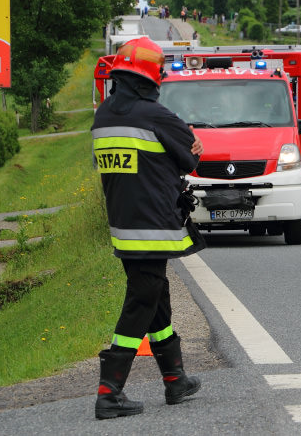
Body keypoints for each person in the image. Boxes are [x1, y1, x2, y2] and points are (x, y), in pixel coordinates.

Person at [91, 37, 205, 419]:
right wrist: (193, 146)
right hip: (154, 226)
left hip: (123, 226)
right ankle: (109, 392)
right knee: (142, 301)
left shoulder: (103, 115)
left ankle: (175, 380)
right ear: (151, 79)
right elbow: (190, 158)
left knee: (157, 297)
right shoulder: (155, 116)